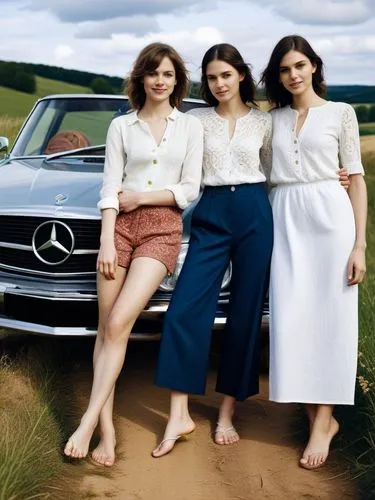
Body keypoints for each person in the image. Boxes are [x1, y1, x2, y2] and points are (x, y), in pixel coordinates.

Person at [63, 42, 203, 466]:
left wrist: (140, 198)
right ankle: (105, 432)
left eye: (168, 74)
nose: (160, 81)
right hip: (118, 230)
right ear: (140, 78)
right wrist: (106, 239)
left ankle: (86, 420)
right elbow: (109, 188)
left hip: (162, 228)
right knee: (107, 329)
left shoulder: (189, 127)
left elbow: (189, 189)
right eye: (153, 73)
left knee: (122, 319)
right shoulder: (121, 126)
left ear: (176, 81)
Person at [152, 43, 274, 457]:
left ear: (241, 74)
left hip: (256, 211)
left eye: (225, 74)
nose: (219, 83)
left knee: (245, 312)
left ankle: (226, 411)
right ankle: (178, 413)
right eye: (211, 77)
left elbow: (278, 172)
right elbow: (171, 161)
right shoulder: (195, 120)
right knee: (184, 309)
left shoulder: (265, 122)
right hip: (212, 211)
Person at [261, 35, 367, 470]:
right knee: (291, 322)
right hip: (284, 217)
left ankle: (323, 421)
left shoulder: (341, 114)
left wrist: (359, 244)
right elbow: (261, 173)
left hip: (331, 220)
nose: (293, 75)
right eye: (285, 69)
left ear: (314, 66)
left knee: (331, 320)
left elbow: (356, 179)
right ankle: (314, 415)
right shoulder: (271, 120)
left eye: (300, 65)